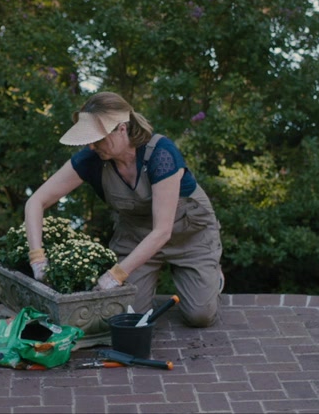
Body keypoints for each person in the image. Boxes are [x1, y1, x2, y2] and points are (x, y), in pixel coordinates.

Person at [24, 92, 223, 327]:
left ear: (122, 128)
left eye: (98, 138)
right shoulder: (92, 159)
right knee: (125, 316)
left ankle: (212, 276)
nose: (91, 145)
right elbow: (36, 201)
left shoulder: (161, 154)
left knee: (200, 316)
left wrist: (114, 276)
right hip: (136, 237)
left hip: (189, 236)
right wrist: (37, 259)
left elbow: (162, 231)